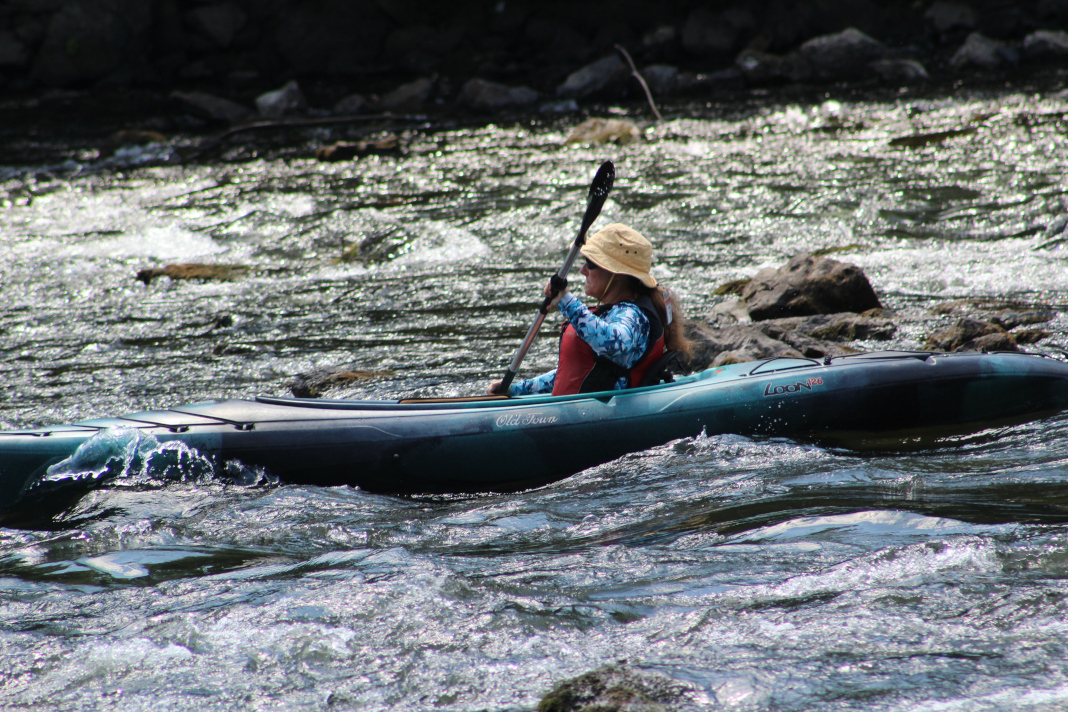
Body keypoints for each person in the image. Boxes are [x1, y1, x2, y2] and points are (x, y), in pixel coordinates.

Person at [488, 223, 692, 397]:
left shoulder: (634, 316)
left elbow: (614, 344)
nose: (582, 270)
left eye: (590, 264)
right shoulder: (614, 312)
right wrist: (517, 390)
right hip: (577, 410)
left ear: (617, 274)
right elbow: (573, 373)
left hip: (602, 416)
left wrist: (566, 301)